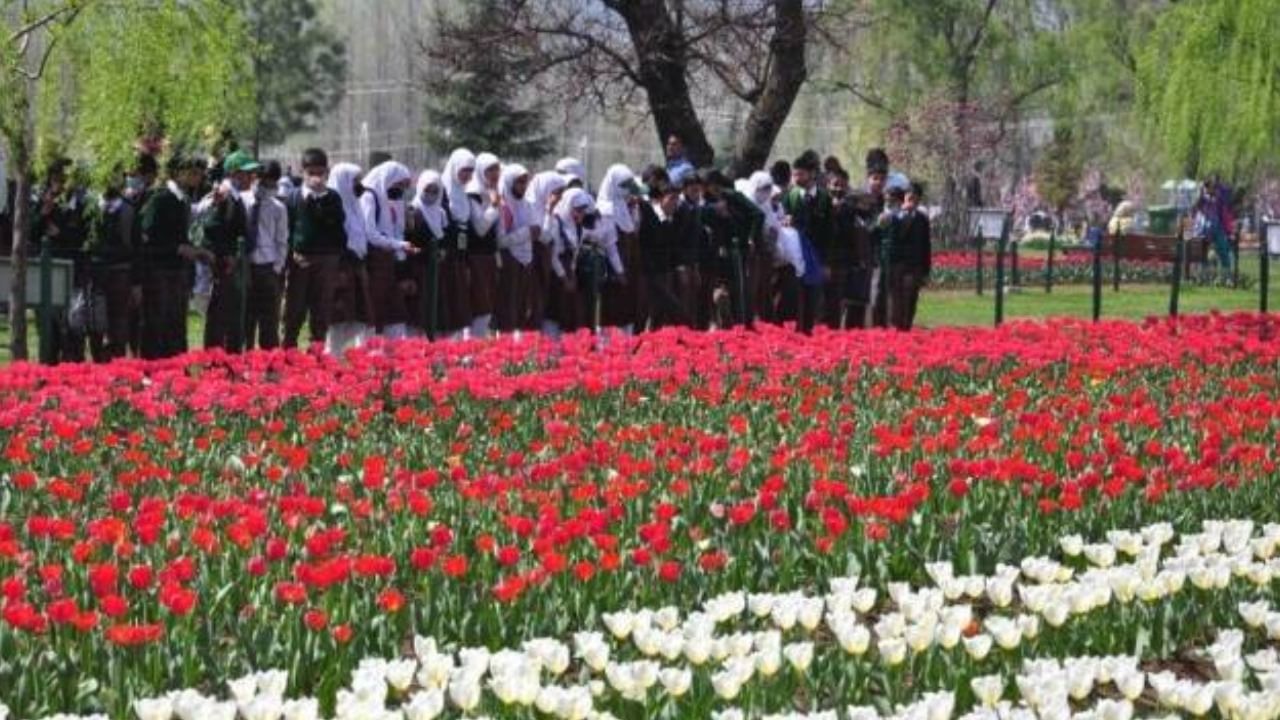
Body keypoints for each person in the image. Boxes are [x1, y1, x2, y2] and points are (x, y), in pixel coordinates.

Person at [138, 153, 210, 360]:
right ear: (179, 173)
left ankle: (176, 368)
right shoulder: (160, 197)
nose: (198, 178)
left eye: (200, 174)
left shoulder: (183, 199)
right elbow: (146, 236)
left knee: (176, 323)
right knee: (158, 322)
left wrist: (196, 250)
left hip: (178, 271)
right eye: (193, 173)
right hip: (160, 271)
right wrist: (177, 248)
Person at [283, 148, 346, 350]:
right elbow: (286, 230)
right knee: (295, 309)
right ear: (303, 172)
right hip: (300, 261)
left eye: (320, 172)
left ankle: (316, 355)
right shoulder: (293, 198)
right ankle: (288, 352)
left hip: (327, 260)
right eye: (311, 172)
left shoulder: (333, 198)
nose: (316, 177)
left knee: (321, 311)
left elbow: (338, 229)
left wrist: (338, 260)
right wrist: (291, 254)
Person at [30, 158, 91, 363]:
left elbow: (85, 238)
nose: (60, 184)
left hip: (73, 274)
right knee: (48, 330)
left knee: (74, 328)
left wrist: (61, 233)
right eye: (56, 179)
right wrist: (43, 213)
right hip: (46, 276)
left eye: (64, 179)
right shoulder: (41, 202)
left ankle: (74, 369)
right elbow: (29, 233)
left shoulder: (82, 206)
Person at [197, 149, 258, 352]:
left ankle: (229, 357)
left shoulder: (235, 196)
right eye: (247, 172)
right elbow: (212, 230)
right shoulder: (223, 197)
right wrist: (226, 255)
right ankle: (216, 360)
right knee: (220, 316)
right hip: (223, 265)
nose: (252, 177)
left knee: (230, 314)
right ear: (233, 173)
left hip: (231, 263)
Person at [360, 160, 416, 339]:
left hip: (390, 264)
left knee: (395, 316)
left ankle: (396, 359)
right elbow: (371, 233)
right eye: (398, 184)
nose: (400, 190)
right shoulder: (369, 196)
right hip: (375, 263)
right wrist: (397, 245)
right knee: (374, 314)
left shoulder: (391, 199)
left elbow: (396, 231)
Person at [781, 150, 834, 334]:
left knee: (812, 295)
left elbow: (829, 232)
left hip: (816, 254)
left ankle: (808, 332)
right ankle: (795, 332)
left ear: (812, 174)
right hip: (795, 254)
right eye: (794, 174)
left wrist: (826, 262)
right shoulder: (790, 195)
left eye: (800, 174)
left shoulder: (824, 199)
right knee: (795, 295)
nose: (796, 178)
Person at [239, 161, 289, 350]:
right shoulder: (243, 200)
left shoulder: (278, 207)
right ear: (255, 179)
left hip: (267, 266)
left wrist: (277, 268)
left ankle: (269, 361)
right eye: (262, 182)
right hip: (246, 265)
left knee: (269, 318)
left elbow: (282, 240)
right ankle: (245, 354)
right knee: (246, 316)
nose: (265, 187)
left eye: (270, 184)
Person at [326, 162, 373, 354]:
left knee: (358, 315)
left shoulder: (355, 206)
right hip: (340, 268)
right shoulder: (332, 206)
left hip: (356, 265)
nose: (358, 185)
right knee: (338, 316)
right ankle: (332, 355)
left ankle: (350, 355)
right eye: (354, 181)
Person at [636, 180, 687, 330]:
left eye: (677, 200)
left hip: (664, 271)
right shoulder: (649, 214)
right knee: (645, 310)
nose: (674, 203)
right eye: (671, 199)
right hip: (648, 271)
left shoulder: (673, 219)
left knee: (659, 311)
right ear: (661, 199)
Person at [548, 188, 597, 334]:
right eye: (577, 209)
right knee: (554, 313)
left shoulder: (577, 227)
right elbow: (553, 255)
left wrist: (572, 275)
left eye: (582, 210)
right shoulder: (557, 222)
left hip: (569, 273)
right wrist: (564, 278)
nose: (579, 214)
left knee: (569, 314)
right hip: (557, 274)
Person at [405, 170, 447, 338]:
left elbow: (446, 238)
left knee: (435, 311)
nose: (430, 194)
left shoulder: (441, 213)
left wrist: (443, 251)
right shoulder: (411, 211)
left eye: (435, 191)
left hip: (437, 271)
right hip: (419, 268)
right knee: (417, 312)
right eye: (427, 189)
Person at [595, 164, 637, 332]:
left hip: (626, 265)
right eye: (623, 185)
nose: (627, 190)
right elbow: (610, 245)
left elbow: (631, 230)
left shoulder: (623, 206)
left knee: (625, 308)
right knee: (609, 309)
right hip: (611, 270)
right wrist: (619, 271)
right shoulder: (606, 209)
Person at [496, 164, 537, 332]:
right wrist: (527, 232)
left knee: (522, 310)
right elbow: (501, 241)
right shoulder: (504, 207)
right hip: (509, 262)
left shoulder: (527, 205)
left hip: (526, 261)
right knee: (507, 312)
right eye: (519, 182)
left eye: (525, 182)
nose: (523, 186)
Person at [885, 183, 932, 331]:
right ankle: (897, 328)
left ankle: (907, 328)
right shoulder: (894, 217)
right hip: (897, 265)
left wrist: (926, 271)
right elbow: (889, 241)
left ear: (918, 200)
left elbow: (926, 246)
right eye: (909, 195)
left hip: (915, 266)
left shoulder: (922, 220)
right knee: (896, 301)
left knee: (911, 299)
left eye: (915, 196)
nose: (911, 199)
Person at [465, 152, 502, 338]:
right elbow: (480, 228)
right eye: (490, 170)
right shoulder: (473, 195)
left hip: (489, 257)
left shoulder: (491, 192)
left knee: (488, 306)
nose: (495, 174)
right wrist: (494, 207)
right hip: (476, 257)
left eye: (497, 169)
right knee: (480, 306)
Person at [441, 149, 477, 339]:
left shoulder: (463, 194)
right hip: (447, 257)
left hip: (460, 258)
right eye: (465, 170)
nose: (468, 176)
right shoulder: (442, 191)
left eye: (472, 171)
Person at [528, 171, 567, 334]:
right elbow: (544, 237)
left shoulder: (548, 212)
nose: (558, 198)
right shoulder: (530, 207)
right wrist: (549, 210)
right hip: (530, 264)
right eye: (556, 193)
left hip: (543, 265)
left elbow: (551, 238)